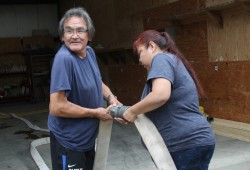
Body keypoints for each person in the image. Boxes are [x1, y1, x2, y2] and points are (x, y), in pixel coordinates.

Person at [121, 30, 216, 170]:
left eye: (140, 52)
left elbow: (160, 95)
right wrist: (134, 114)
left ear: (152, 46)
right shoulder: (172, 61)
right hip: (192, 142)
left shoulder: (161, 59)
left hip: (185, 144)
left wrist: (132, 111)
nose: (140, 59)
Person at [48, 7, 121, 170]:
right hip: (69, 142)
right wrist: (96, 112)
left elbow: (97, 81)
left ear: (89, 36)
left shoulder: (89, 52)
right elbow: (56, 106)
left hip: (86, 140)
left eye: (80, 31)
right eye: (69, 31)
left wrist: (111, 97)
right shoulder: (64, 59)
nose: (75, 36)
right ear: (62, 36)